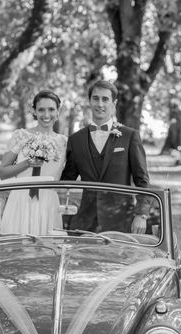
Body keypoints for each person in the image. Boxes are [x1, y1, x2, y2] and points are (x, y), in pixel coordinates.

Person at [61, 80, 150, 234]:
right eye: (95, 98)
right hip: (85, 222)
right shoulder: (76, 140)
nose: (100, 104)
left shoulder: (130, 136)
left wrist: (141, 214)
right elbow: (66, 180)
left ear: (113, 104)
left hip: (121, 221)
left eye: (105, 99)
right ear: (89, 101)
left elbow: (142, 180)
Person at [0, 90, 67, 235]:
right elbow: (3, 172)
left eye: (51, 109)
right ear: (34, 111)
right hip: (21, 200)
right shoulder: (21, 136)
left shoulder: (64, 142)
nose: (46, 115)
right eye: (41, 109)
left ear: (58, 112)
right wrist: (27, 164)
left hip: (48, 202)